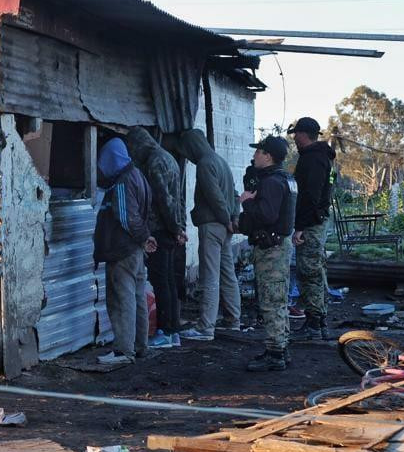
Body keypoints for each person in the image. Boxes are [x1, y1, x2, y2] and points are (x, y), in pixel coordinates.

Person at [174, 129, 242, 341]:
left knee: (209, 275)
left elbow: (216, 197)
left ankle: (205, 328)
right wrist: (233, 218)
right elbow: (234, 193)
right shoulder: (220, 161)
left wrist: (225, 219)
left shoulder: (205, 163)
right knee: (227, 274)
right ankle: (233, 320)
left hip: (213, 226)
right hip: (225, 226)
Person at [93, 137, 157, 365]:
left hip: (122, 250)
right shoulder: (138, 176)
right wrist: (145, 238)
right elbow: (143, 212)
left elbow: (125, 217)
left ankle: (123, 350)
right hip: (136, 250)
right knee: (138, 297)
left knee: (122, 300)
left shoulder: (121, 182)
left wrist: (142, 237)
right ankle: (140, 346)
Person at [238, 136, 297, 371]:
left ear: (268, 155)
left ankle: (276, 354)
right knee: (279, 299)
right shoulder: (286, 179)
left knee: (272, 301)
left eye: (258, 152)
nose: (254, 157)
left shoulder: (272, 181)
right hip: (279, 245)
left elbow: (266, 215)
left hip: (271, 248)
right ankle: (281, 348)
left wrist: (246, 203)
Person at [126, 127, 186, 349]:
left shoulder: (154, 161)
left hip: (160, 230)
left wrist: (173, 228)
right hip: (169, 229)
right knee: (168, 281)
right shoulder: (168, 157)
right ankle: (173, 331)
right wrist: (178, 227)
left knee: (162, 282)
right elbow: (176, 197)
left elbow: (163, 199)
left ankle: (166, 332)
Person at [288, 117, 336, 341]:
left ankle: (315, 322)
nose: (294, 138)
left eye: (296, 134)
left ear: (304, 134)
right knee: (314, 270)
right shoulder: (317, 156)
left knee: (310, 272)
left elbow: (310, 195)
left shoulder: (314, 158)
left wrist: (300, 227)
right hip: (315, 220)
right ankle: (317, 319)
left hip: (311, 223)